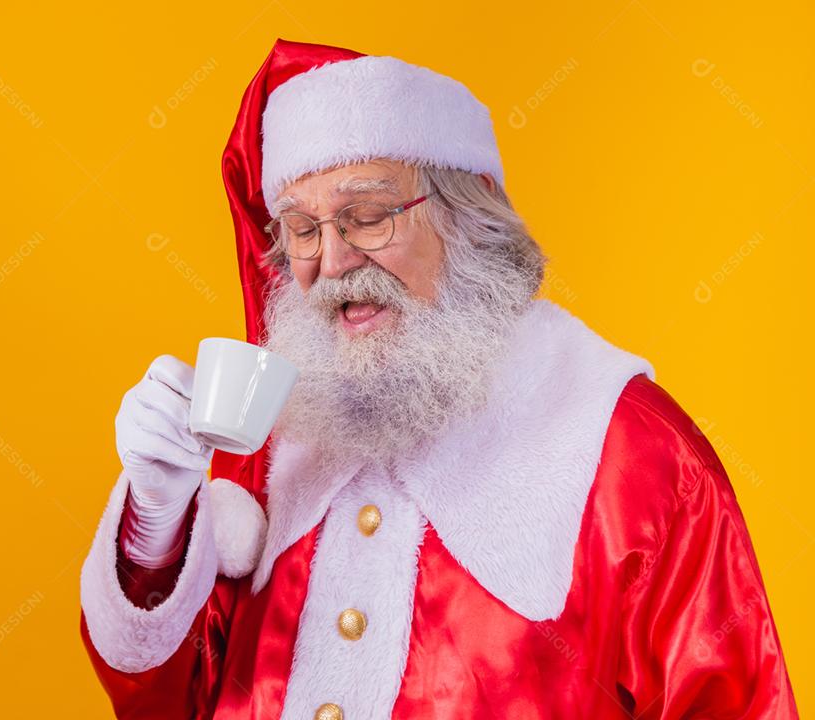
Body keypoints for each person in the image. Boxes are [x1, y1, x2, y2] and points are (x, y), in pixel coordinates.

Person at [78, 38, 799, 719]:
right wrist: (155, 523)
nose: (329, 264)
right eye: (301, 229)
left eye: (365, 217)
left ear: (466, 219)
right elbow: (171, 699)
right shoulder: (273, 424)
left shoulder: (631, 452)